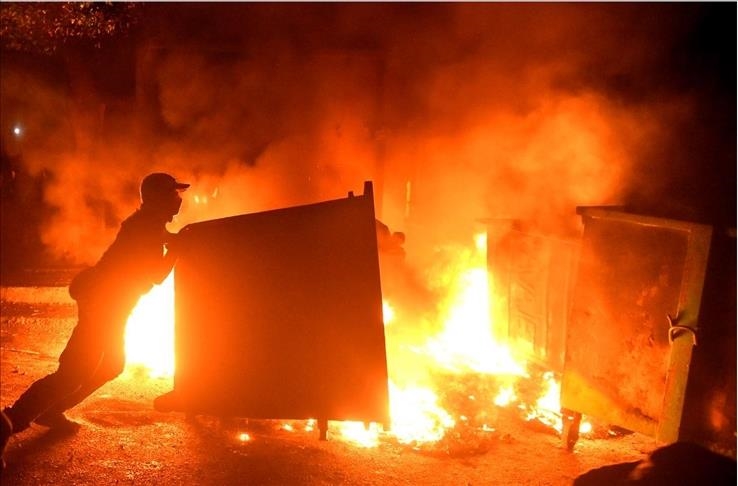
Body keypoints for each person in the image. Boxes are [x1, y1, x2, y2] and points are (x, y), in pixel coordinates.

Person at [0, 172, 189, 471]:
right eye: (174, 194)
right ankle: (9, 421)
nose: (179, 200)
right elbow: (156, 275)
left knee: (110, 365)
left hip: (111, 306)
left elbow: (158, 239)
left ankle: (51, 411)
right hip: (104, 306)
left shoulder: (147, 223)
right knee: (72, 372)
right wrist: (178, 249)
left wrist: (175, 240)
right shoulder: (146, 228)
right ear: (160, 198)